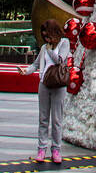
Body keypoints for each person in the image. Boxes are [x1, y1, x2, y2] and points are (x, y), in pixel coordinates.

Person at [24, 18, 70, 164]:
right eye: (44, 36)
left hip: (58, 85)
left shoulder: (64, 43)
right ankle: (41, 148)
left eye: (48, 35)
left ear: (54, 32)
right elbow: (36, 64)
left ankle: (56, 149)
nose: (46, 38)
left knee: (57, 119)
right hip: (44, 83)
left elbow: (60, 61)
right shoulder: (44, 48)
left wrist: (50, 50)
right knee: (43, 118)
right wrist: (25, 71)